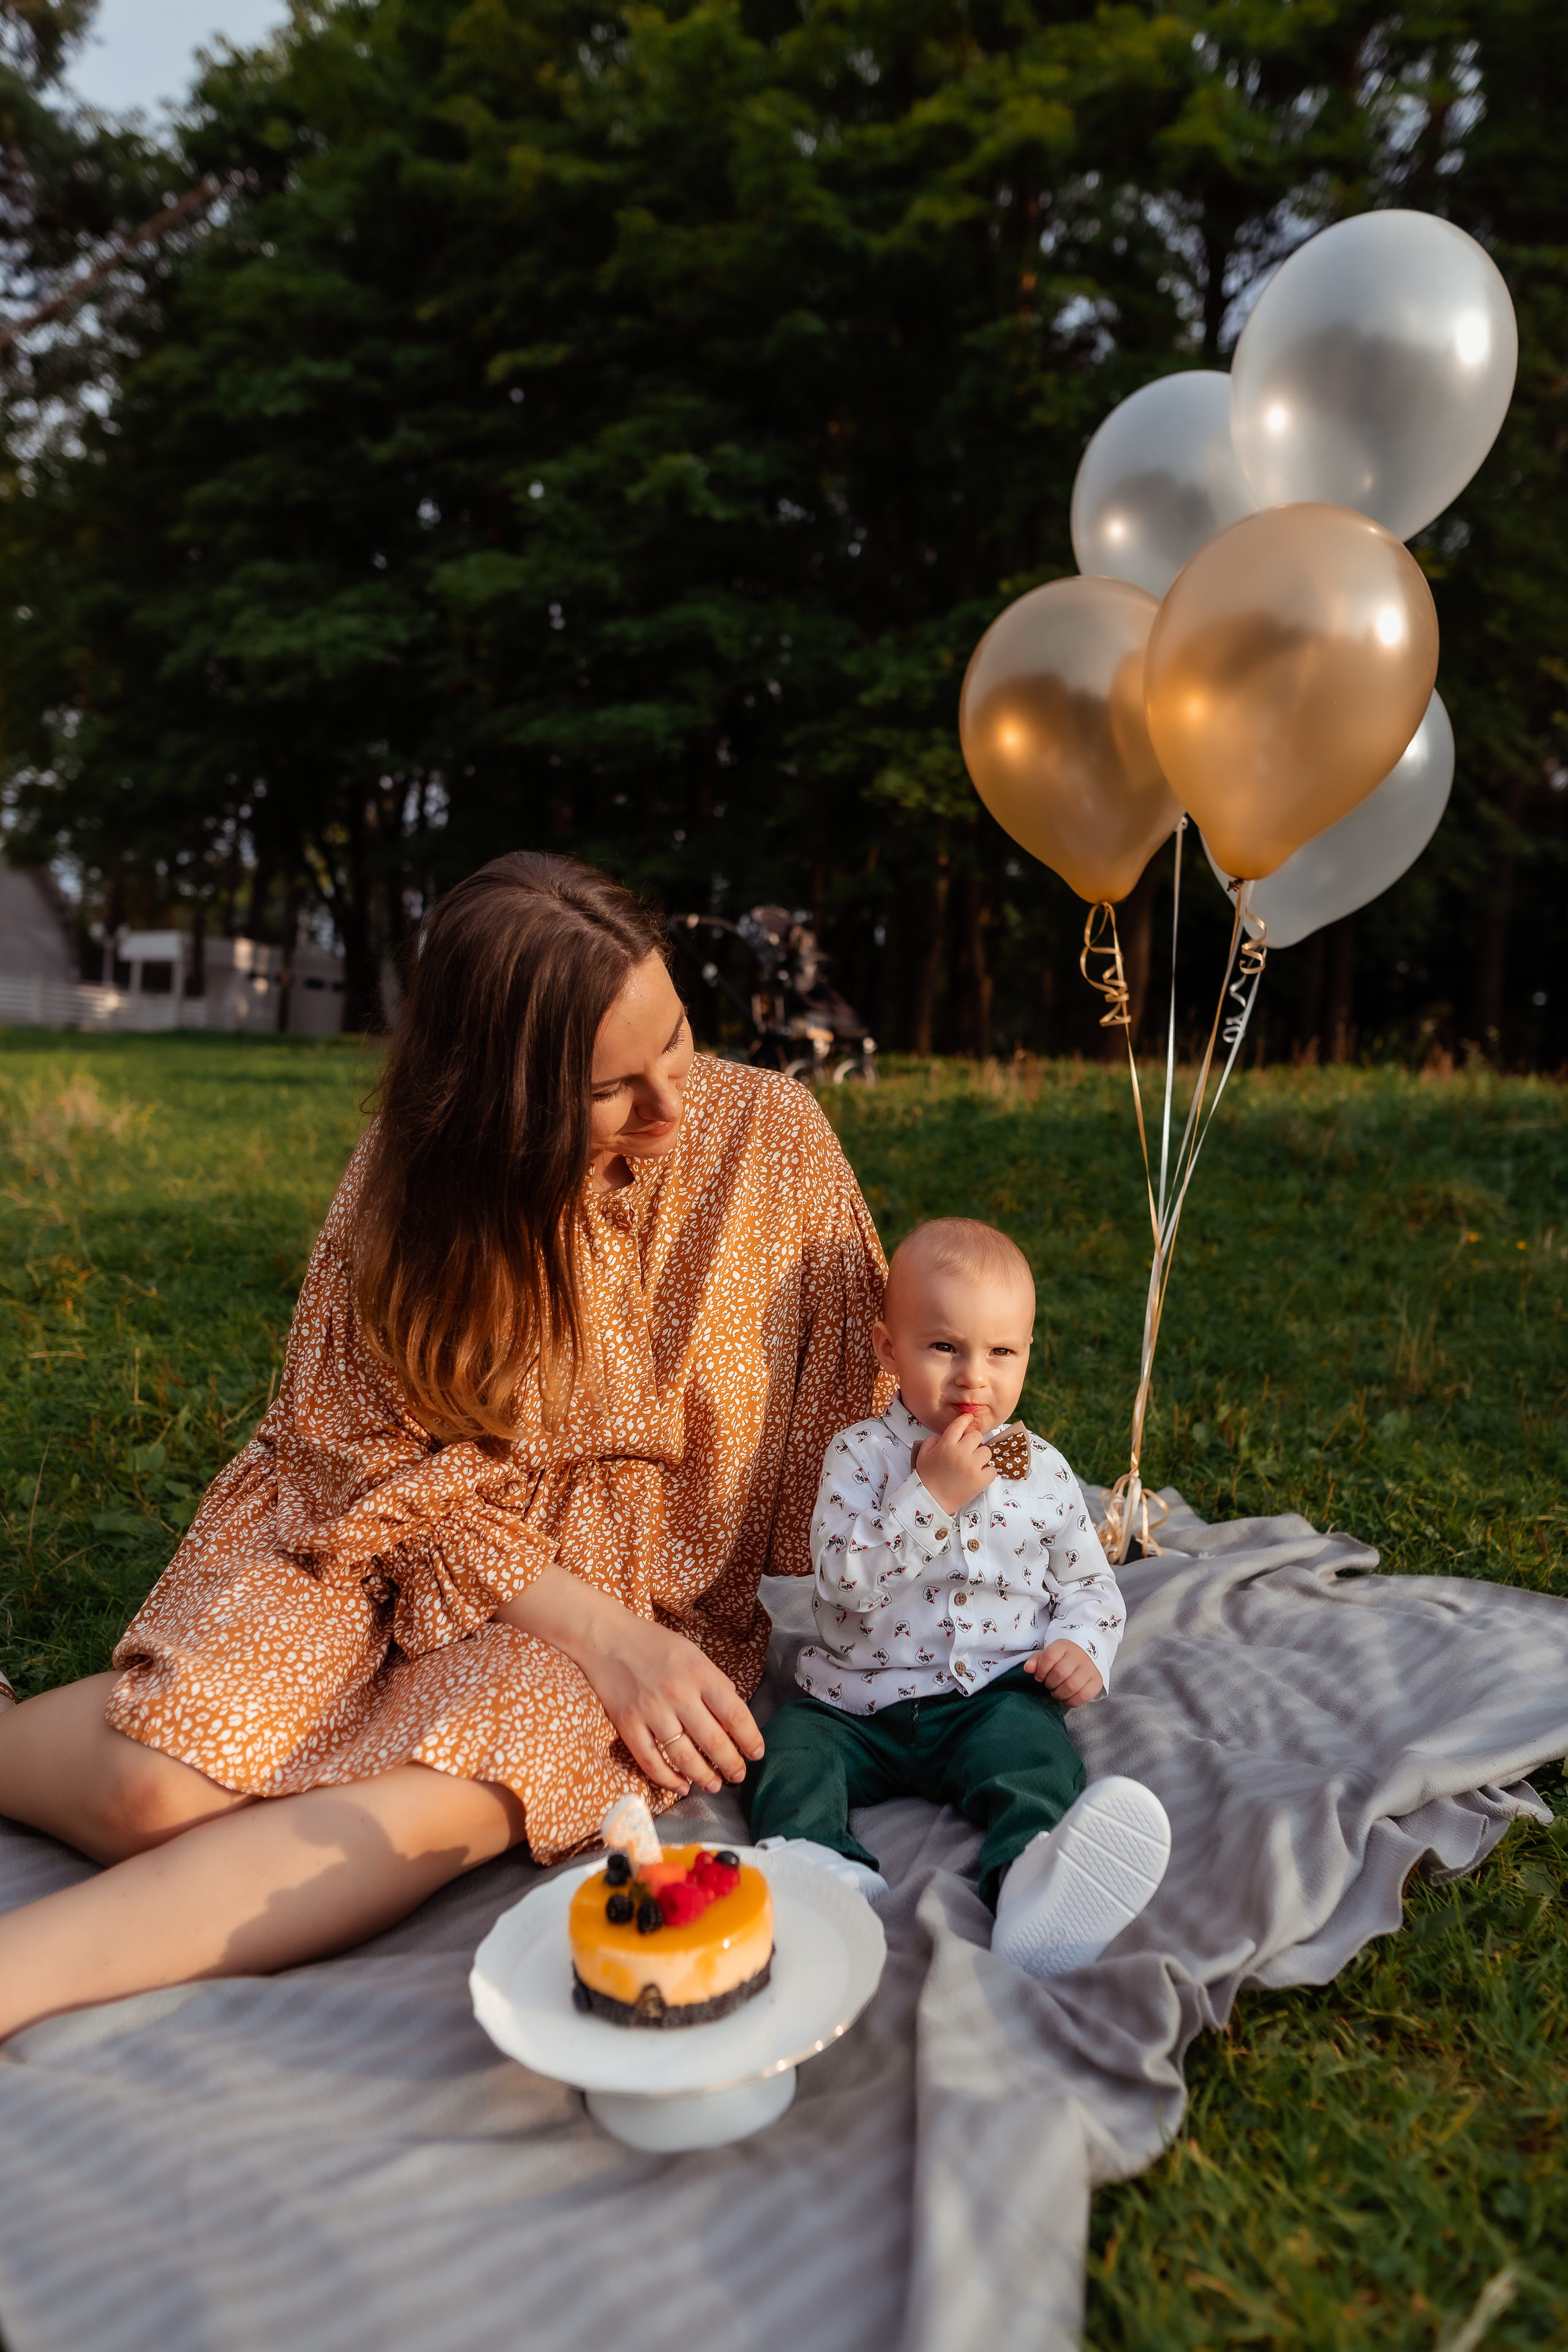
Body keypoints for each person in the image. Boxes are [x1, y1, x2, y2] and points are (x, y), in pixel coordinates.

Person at [0, 853, 888, 2041]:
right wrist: (595, 1631)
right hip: (384, 1538)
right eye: (610, 1089)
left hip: (628, 1604)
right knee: (159, 1796)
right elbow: (346, 1458)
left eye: (674, 1038)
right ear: (496, 1101)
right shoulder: (417, 1185)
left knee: (440, 1796)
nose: (671, 1105)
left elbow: (870, 1410)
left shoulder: (773, 1141)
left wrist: (969, 1512)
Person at [745, 1216, 1170, 1978]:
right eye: (944, 1347)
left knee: (1033, 1757)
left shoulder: (1039, 1470)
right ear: (889, 1348)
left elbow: (1087, 1584)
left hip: (990, 1693)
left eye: (1000, 1352)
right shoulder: (859, 1456)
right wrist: (928, 1499)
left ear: (1027, 1355)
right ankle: (820, 1868)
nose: (974, 1377)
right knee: (789, 1751)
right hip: (857, 1703)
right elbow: (840, 1578)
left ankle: (1031, 1882)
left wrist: (1083, 1647)